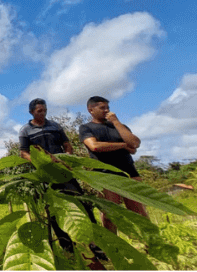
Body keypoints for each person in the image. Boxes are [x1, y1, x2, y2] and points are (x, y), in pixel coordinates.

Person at [18, 99, 99, 254]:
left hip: (63, 171)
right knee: (53, 210)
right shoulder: (25, 130)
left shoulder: (55, 126)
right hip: (45, 175)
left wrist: (67, 157)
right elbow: (23, 152)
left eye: (44, 110)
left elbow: (67, 145)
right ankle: (68, 248)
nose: (43, 113)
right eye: (39, 111)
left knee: (82, 205)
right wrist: (40, 162)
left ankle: (95, 245)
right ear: (32, 112)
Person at [78, 96, 149, 234]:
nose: (107, 110)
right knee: (110, 214)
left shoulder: (119, 126)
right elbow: (95, 146)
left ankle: (152, 244)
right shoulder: (86, 128)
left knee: (139, 212)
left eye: (108, 108)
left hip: (129, 172)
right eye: (102, 108)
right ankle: (114, 249)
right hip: (105, 175)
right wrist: (122, 145)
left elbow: (134, 144)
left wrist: (116, 122)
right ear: (91, 110)